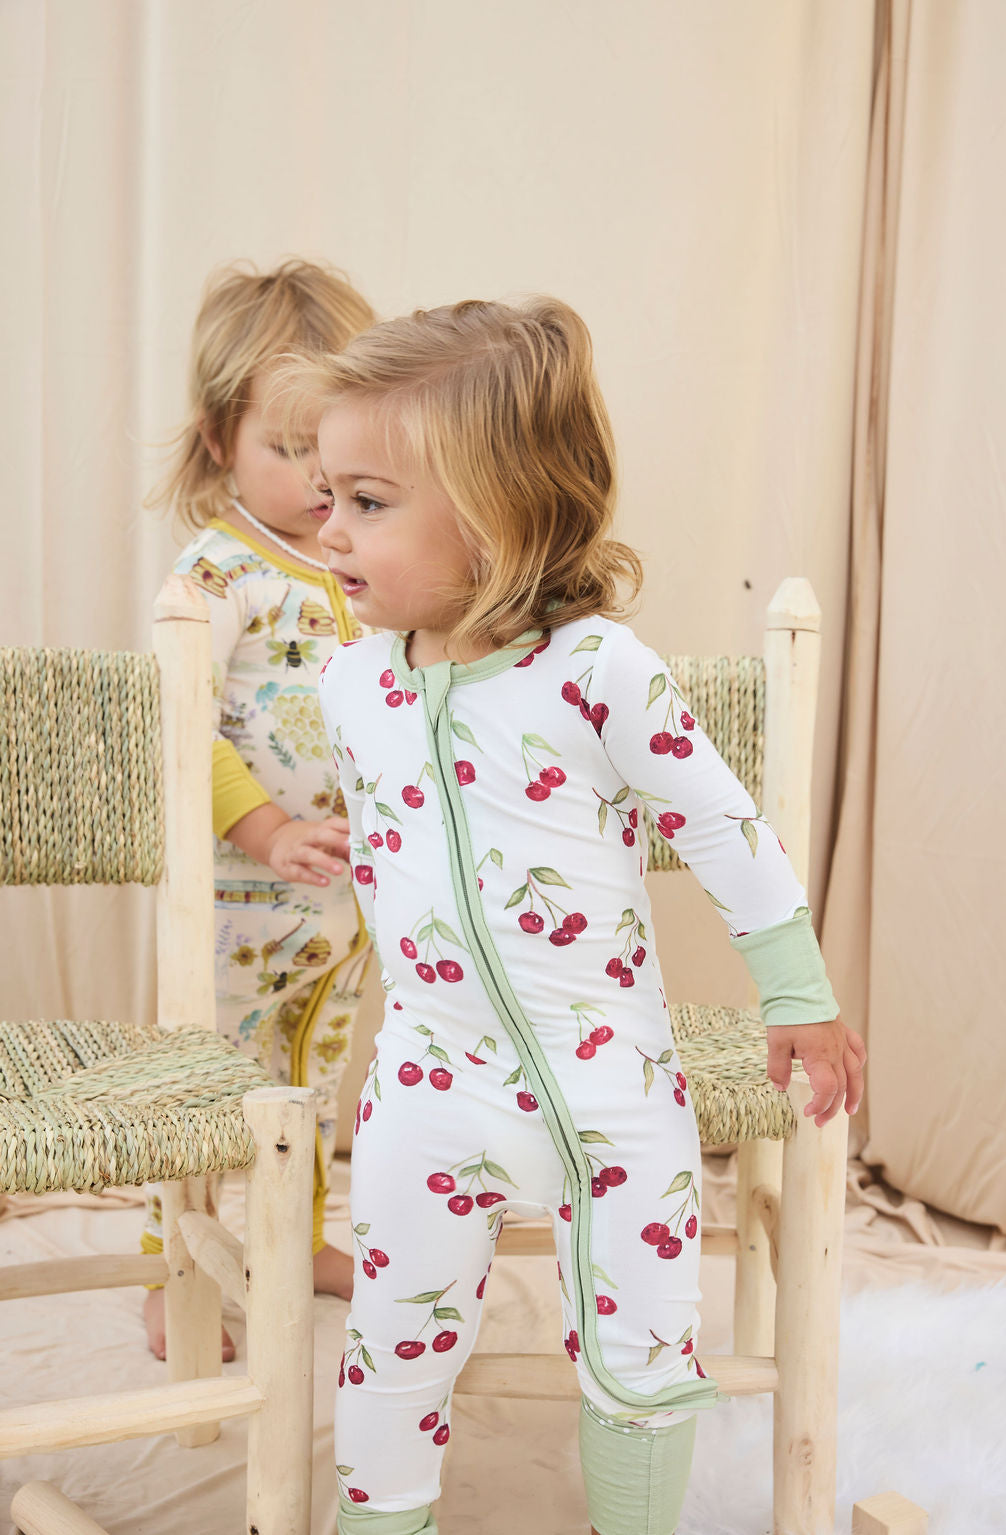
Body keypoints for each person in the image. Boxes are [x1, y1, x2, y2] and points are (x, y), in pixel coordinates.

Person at [293, 297, 865, 1535]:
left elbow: (722, 826)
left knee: (646, 1352)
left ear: (498, 517)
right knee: (390, 1346)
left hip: (609, 1084)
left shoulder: (597, 669)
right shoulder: (350, 682)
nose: (324, 523)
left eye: (367, 500)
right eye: (326, 493)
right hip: (428, 1081)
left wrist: (796, 990)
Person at [142, 259, 377, 1361]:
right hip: (238, 902)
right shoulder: (216, 571)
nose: (319, 479)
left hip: (338, 905)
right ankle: (169, 1268)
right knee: (207, 1089)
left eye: (334, 446)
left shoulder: (360, 562)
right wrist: (267, 831)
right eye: (289, 449)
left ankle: (306, 1237)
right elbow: (184, 729)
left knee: (314, 1082)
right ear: (216, 441)